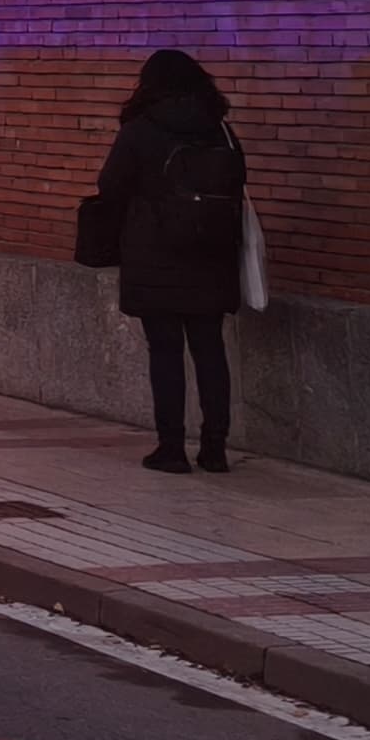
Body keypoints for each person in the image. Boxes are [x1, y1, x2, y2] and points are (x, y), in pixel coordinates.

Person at [80, 49, 255, 472]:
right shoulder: (219, 129)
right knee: (210, 348)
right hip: (211, 254)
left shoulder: (140, 131)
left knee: (165, 351)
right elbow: (237, 179)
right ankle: (215, 447)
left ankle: (171, 448)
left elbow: (110, 185)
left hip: (154, 254)